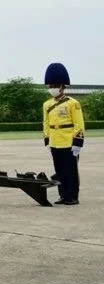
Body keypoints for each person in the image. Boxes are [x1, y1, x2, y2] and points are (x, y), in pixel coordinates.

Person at [43, 62, 85, 205]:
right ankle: (62, 195)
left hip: (68, 141)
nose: (51, 89)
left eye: (54, 86)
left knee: (70, 171)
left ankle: (72, 196)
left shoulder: (73, 103)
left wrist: (77, 143)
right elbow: (46, 123)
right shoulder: (47, 104)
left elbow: (79, 124)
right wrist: (47, 140)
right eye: (50, 86)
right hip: (55, 140)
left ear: (62, 86)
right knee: (59, 171)